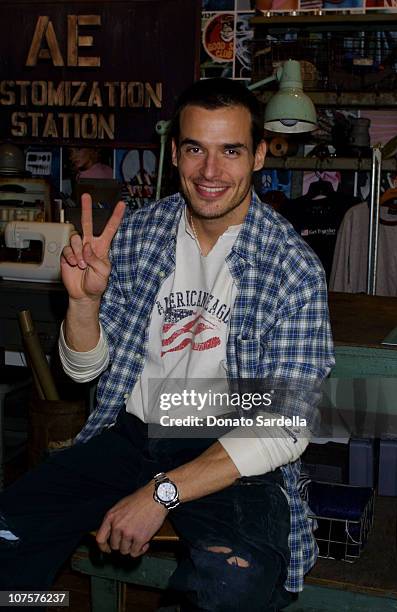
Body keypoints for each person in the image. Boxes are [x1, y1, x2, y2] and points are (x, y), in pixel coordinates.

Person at [0, 78, 334, 611]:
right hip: (133, 433)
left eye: (231, 151)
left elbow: (285, 422)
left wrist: (162, 493)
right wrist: (84, 306)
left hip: (228, 450)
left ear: (260, 155)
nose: (210, 171)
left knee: (233, 581)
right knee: (7, 535)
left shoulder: (290, 267)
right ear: (175, 152)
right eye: (196, 148)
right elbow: (85, 372)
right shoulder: (137, 234)